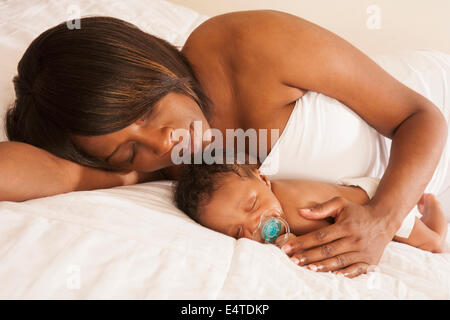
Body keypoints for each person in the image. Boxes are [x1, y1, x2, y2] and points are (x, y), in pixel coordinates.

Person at [2, 11, 449, 277]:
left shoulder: (243, 46)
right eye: (128, 151)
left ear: (149, 63)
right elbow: (31, 171)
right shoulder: (163, 169)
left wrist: (382, 218)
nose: (165, 142)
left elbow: (419, 115)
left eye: (148, 110)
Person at [174, 162, 448, 277]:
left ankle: (432, 209)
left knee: (432, 244)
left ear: (264, 179)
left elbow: (319, 238)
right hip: (351, 192)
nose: (253, 224)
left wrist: (291, 242)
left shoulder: (295, 210)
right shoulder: (272, 201)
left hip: (374, 199)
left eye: (252, 205)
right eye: (236, 231)